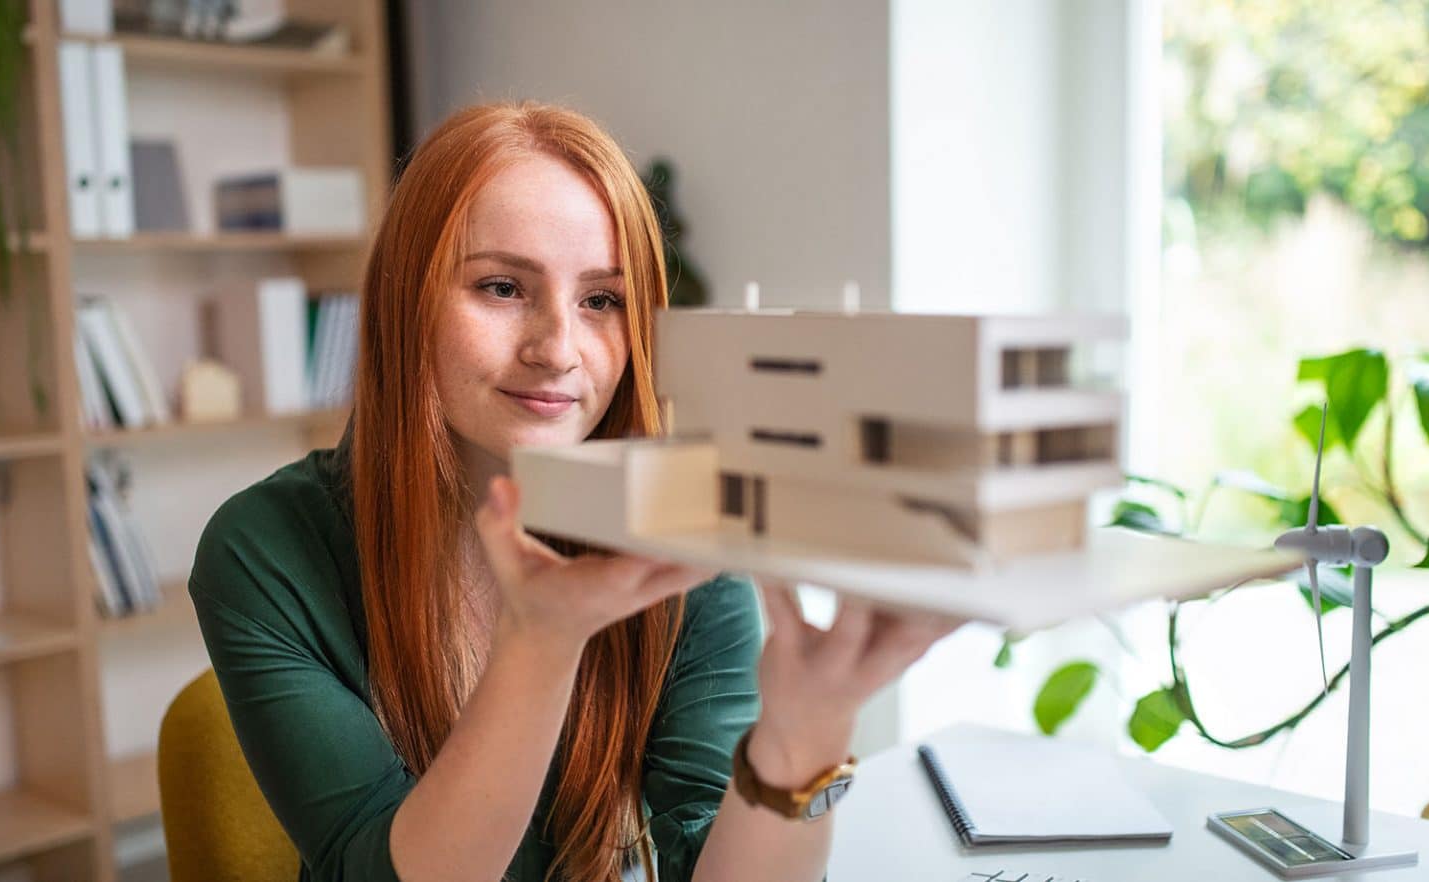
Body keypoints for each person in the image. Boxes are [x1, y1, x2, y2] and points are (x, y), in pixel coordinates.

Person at [188, 101, 961, 882]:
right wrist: (541, 642)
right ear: (406, 302)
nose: (558, 348)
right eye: (500, 286)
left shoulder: (683, 541)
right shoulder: (264, 549)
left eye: (602, 301)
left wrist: (805, 736)